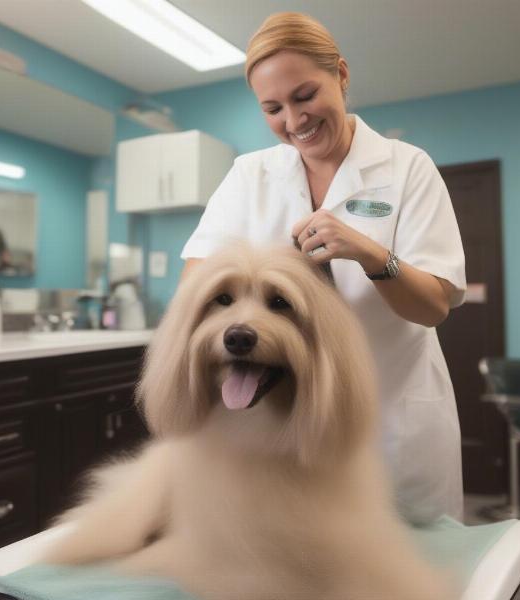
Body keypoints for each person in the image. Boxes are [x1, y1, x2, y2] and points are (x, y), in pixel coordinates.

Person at [180, 12, 466, 525]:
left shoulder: (407, 167)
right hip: (284, 431)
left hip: (391, 420)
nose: (293, 120)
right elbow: (195, 285)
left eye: (305, 95)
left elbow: (434, 306)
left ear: (341, 74)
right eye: (273, 108)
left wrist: (371, 254)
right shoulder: (251, 175)